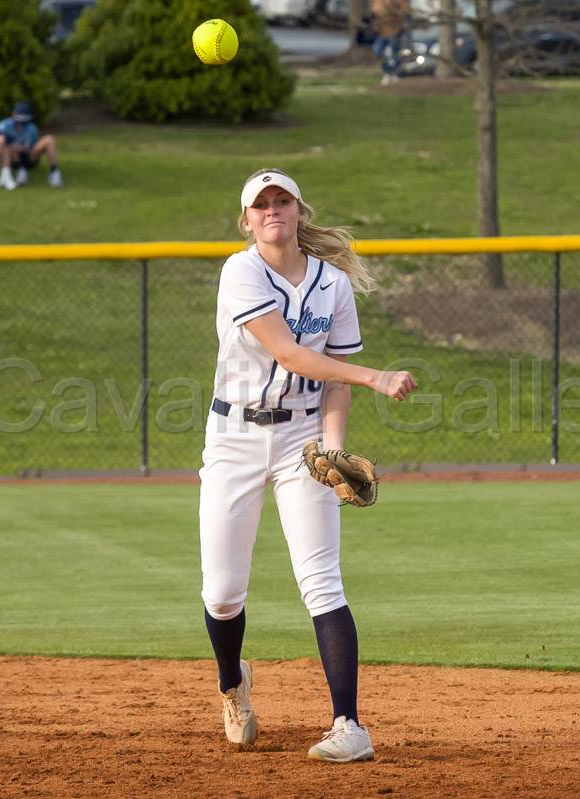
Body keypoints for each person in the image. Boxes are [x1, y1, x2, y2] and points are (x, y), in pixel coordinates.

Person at [199, 168, 417, 762]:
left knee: (322, 580)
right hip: (235, 437)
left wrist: (331, 447)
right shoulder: (241, 270)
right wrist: (377, 377)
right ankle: (232, 685)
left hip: (301, 438)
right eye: (260, 205)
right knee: (222, 594)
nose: (272, 211)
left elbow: (331, 383)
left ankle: (350, 725)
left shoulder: (332, 284)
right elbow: (291, 352)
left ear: (300, 212)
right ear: (247, 221)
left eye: (282, 202)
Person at [0, 101, 63, 189]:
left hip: (29, 156)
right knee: (8, 146)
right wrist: (15, 146)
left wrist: (27, 149)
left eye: (24, 122)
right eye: (19, 121)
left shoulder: (32, 128)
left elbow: (34, 147)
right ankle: (17, 172)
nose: (21, 125)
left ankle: (54, 172)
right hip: (12, 158)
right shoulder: (3, 126)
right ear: (13, 115)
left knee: (49, 139)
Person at [371, 0, 411, 85]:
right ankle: (387, 72)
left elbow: (405, 13)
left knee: (395, 54)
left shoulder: (400, 2)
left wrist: (393, 8)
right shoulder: (379, 2)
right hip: (382, 33)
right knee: (377, 51)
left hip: (395, 33)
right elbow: (375, 13)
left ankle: (393, 73)